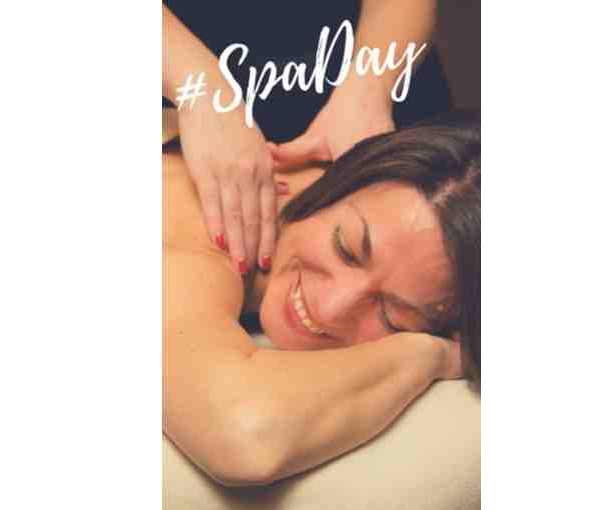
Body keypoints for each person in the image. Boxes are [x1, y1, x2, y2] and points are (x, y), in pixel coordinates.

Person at [163, 114, 480, 487]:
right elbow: (245, 434)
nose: (331, 308)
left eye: (392, 315)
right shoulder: (199, 245)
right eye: (346, 248)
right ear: (332, 183)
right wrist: (432, 356)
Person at [162, 1, 450, 280]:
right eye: (345, 250)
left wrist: (370, 87)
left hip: (371, 98)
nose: (335, 304)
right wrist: (200, 89)